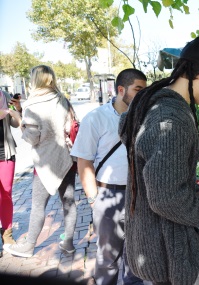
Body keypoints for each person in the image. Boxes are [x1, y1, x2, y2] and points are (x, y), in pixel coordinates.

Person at [119, 36, 199, 285]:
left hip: (151, 244)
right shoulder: (170, 119)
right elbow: (166, 199)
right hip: (165, 254)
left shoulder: (149, 103)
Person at [70, 68, 147, 285]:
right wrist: (94, 199)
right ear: (121, 90)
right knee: (108, 259)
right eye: (137, 89)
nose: (142, 95)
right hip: (108, 194)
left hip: (138, 195)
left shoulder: (144, 117)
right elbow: (83, 161)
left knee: (137, 258)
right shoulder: (96, 118)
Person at [4, 65, 77, 258]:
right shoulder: (62, 99)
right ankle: (68, 243)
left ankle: (28, 246)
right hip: (66, 158)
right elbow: (71, 126)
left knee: (37, 206)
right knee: (68, 202)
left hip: (45, 162)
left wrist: (19, 118)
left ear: (35, 80)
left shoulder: (33, 105)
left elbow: (32, 138)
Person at [0, 90, 22, 246]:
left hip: (5, 152)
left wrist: (17, 109)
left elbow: (14, 123)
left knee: (6, 193)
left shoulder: (4, 96)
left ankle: (7, 233)